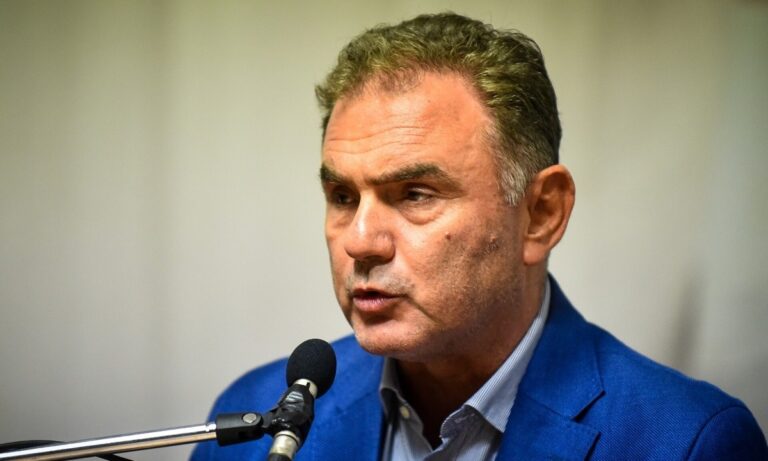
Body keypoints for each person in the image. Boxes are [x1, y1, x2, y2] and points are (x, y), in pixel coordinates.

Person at [191, 13, 766, 460]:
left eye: (415, 194)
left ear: (541, 214)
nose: (360, 242)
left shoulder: (687, 442)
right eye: (342, 197)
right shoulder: (253, 419)